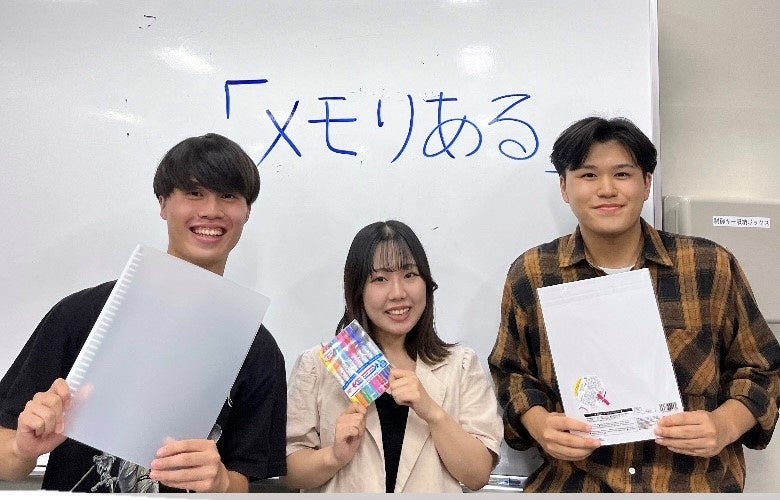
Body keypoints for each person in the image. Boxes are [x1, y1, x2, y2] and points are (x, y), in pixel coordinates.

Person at [488, 116, 780, 492]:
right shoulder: (533, 273)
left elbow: (763, 369)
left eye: (622, 174)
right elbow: (511, 372)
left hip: (690, 484)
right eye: (588, 175)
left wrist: (724, 425)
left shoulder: (708, 264)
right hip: (576, 483)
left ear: (646, 183)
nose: (606, 189)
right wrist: (539, 423)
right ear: (564, 187)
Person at [0, 133, 287, 492]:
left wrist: (221, 483)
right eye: (194, 193)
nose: (211, 210)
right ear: (163, 203)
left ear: (247, 211)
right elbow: (7, 456)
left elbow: (244, 479)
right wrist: (22, 449)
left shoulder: (257, 349)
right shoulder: (80, 315)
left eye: (229, 196)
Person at [284, 220, 503, 492]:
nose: (398, 293)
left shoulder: (460, 365)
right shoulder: (318, 365)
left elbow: (478, 475)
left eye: (410, 274)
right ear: (357, 289)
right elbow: (289, 473)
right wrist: (334, 456)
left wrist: (432, 412)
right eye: (380, 279)